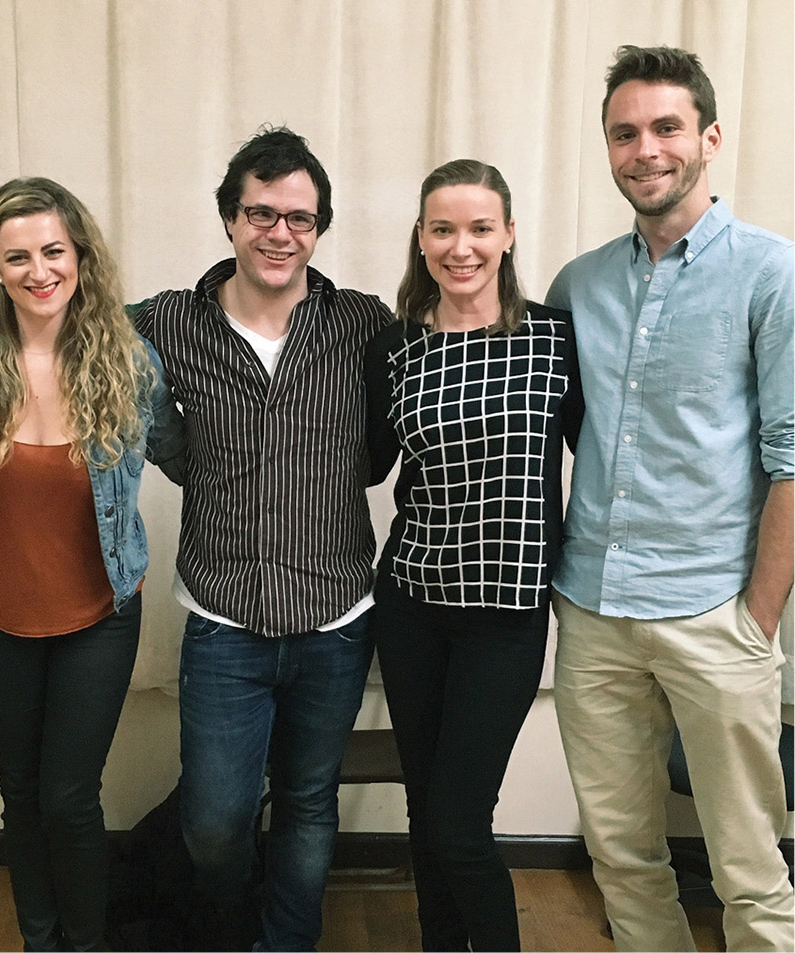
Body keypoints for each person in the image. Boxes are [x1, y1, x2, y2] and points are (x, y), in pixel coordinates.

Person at [545, 45, 794, 952]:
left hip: (715, 613)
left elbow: (793, 457)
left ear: (709, 138)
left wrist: (756, 618)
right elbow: (570, 430)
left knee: (750, 867)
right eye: (624, 133)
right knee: (623, 857)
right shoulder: (579, 285)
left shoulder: (773, 273)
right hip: (594, 614)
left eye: (664, 128)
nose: (644, 149)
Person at [131, 126, 392, 951]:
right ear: (229, 219)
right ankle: (230, 925)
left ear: (320, 228)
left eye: (301, 219)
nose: (282, 233)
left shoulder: (364, 324)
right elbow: (66, 325)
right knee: (216, 821)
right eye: (262, 213)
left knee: (309, 801)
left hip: (335, 616)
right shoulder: (166, 321)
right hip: (223, 621)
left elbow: (383, 446)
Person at [0, 177, 184, 953]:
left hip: (98, 613)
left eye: (53, 251)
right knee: (20, 795)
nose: (39, 270)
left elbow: (191, 459)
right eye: (18, 256)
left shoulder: (128, 360)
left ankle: (85, 943)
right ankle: (38, 939)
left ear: (80, 257)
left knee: (70, 798)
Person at [364, 159, 583, 951]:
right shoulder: (395, 349)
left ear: (509, 235)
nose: (462, 247)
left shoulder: (555, 337)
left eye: (480, 228)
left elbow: (601, 457)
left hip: (507, 615)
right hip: (413, 603)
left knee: (458, 823)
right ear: (421, 240)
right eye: (443, 229)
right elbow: (363, 465)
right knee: (428, 812)